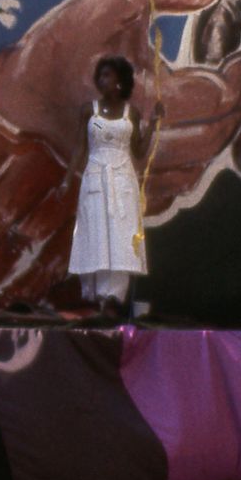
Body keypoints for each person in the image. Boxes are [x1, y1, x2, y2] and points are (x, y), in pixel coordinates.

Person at [67, 55, 161, 317]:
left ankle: (113, 298)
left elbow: (139, 151)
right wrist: (67, 178)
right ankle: (92, 296)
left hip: (122, 181)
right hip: (95, 177)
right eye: (100, 75)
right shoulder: (89, 110)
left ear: (120, 81)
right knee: (94, 232)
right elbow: (80, 147)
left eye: (107, 75)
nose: (102, 80)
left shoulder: (132, 113)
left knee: (120, 236)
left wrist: (153, 124)